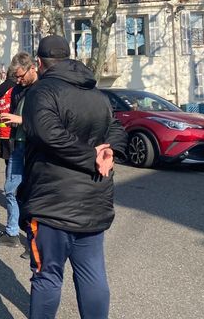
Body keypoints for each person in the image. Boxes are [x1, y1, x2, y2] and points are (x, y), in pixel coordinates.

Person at [19, 35, 127, 319]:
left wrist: (101, 154)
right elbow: (116, 127)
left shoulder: (41, 92)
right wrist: (107, 152)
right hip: (93, 199)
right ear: (69, 57)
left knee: (47, 276)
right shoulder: (97, 94)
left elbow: (48, 134)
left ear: (40, 63)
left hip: (52, 204)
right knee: (92, 275)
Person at [0, 53, 39, 249]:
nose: (18, 80)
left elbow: (48, 121)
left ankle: (37, 242)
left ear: (32, 68)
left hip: (35, 146)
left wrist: (22, 120)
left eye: (20, 76)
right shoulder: (18, 88)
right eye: (16, 77)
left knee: (34, 193)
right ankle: (12, 232)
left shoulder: (43, 87)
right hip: (17, 144)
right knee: (10, 189)